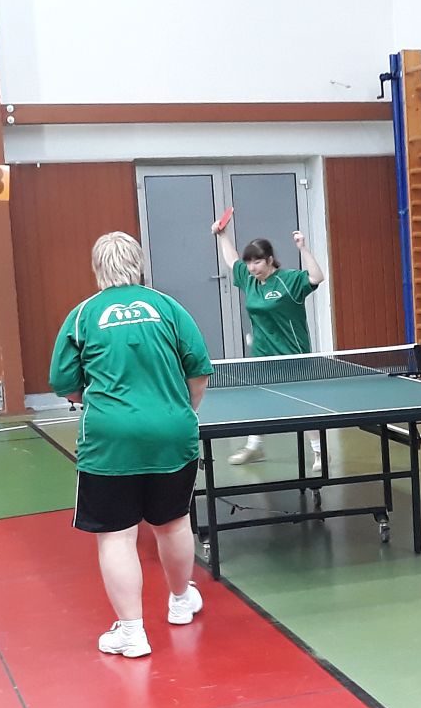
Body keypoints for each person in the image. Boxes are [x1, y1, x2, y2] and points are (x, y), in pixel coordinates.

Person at [50, 232, 213, 658]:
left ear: (97, 268)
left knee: (116, 536)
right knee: (173, 522)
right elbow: (198, 370)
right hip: (172, 432)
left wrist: (100, 400)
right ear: (138, 264)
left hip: (110, 440)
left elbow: (64, 383)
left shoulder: (83, 315)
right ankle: (181, 602)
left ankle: (132, 633)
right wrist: (180, 412)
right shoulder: (168, 307)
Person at [211, 214, 327, 467]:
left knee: (302, 405)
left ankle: (319, 453)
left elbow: (317, 277)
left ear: (270, 260)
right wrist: (222, 235)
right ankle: (255, 447)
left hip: (292, 354)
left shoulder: (289, 280)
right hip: (262, 353)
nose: (252, 267)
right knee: (257, 399)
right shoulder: (249, 280)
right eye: (249, 263)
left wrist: (303, 248)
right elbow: (232, 261)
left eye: (257, 262)